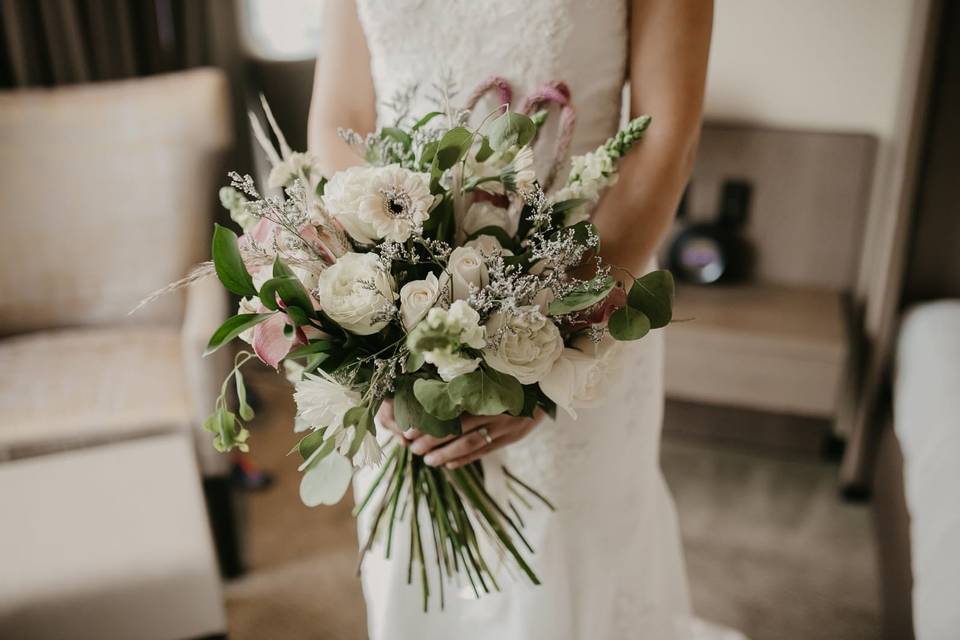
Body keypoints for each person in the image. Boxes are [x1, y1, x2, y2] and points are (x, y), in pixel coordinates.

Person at [308, 2, 734, 638]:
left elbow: (667, 138)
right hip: (395, 294)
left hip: (578, 292)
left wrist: (549, 346)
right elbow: (340, 118)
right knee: (410, 568)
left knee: (563, 567)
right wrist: (374, 321)